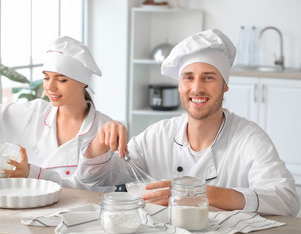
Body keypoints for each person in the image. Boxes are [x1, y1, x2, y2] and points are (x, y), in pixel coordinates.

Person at [76, 29, 300, 216]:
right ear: (180, 85)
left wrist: (204, 194)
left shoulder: (249, 139)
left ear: (225, 85)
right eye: (188, 77)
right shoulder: (158, 135)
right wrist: (99, 144)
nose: (197, 88)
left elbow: (287, 200)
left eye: (209, 77)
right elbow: (91, 179)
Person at [0, 36, 115, 192]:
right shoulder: (34, 113)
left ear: (83, 82)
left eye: (61, 79)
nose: (50, 87)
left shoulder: (105, 129)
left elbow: (93, 190)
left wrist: (32, 173)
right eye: (46, 77)